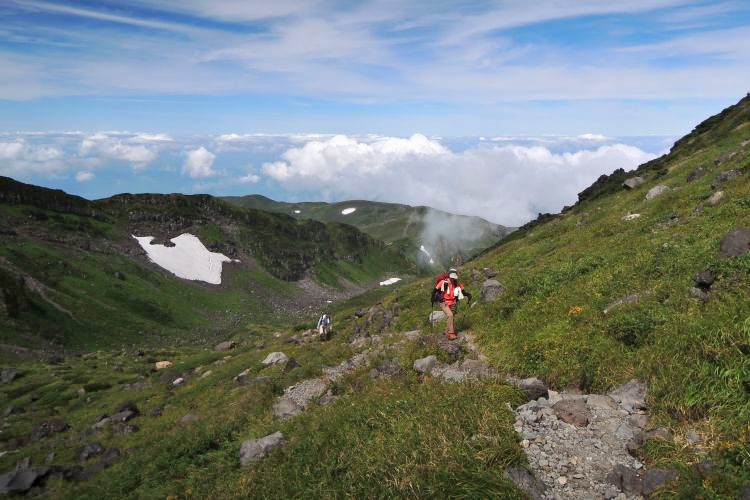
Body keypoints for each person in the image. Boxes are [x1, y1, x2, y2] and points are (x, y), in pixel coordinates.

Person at [432, 268, 472, 340]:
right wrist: (437, 298)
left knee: (452, 317)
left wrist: (468, 295)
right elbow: (434, 291)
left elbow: (463, 292)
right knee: (450, 315)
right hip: (444, 302)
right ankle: (450, 333)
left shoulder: (457, 283)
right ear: (449, 276)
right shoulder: (443, 282)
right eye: (452, 277)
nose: (453, 279)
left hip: (453, 302)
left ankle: (448, 332)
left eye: (454, 277)